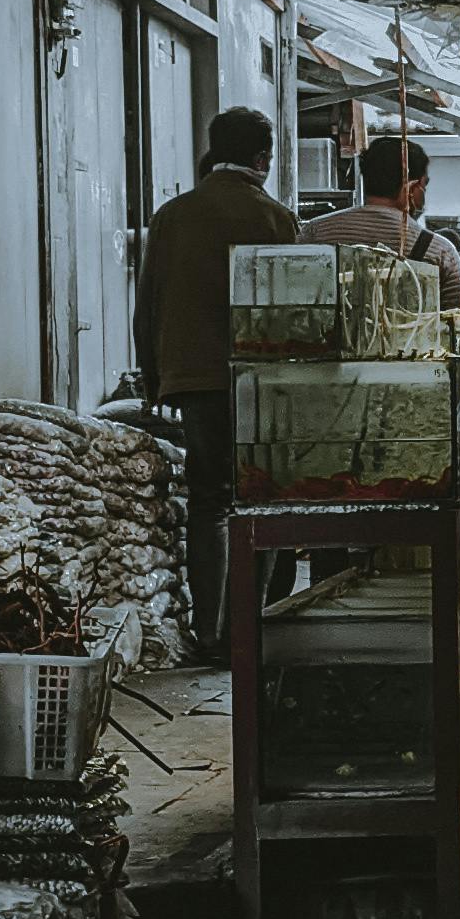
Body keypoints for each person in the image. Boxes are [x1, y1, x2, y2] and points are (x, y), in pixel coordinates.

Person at [139, 105, 296, 660]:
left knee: (208, 501)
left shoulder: (172, 215)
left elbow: (149, 300)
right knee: (259, 498)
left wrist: (154, 377)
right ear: (261, 159)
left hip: (192, 377)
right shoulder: (276, 219)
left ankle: (209, 632)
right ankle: (246, 631)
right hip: (261, 379)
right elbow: (295, 313)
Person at [303, 135, 460, 310]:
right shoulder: (440, 251)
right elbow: (459, 327)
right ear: (411, 189)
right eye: (424, 186)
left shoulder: (315, 233)